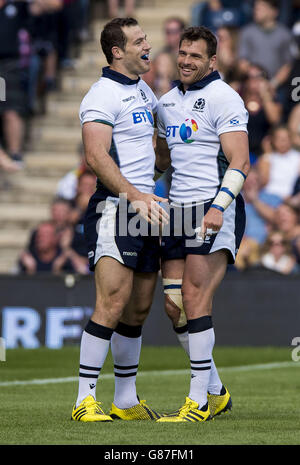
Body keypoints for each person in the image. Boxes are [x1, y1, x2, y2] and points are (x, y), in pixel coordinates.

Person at [71, 17, 168, 422]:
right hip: (116, 207)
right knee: (111, 302)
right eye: (139, 40)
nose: (149, 44)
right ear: (117, 51)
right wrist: (135, 195)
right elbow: (96, 156)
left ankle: (125, 401)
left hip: (145, 208)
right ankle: (83, 400)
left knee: (138, 308)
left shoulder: (144, 91)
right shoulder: (101, 94)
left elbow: (158, 152)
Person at [155, 26, 250, 422]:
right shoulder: (165, 102)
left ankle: (197, 404)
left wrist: (218, 207)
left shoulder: (224, 97)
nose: (186, 61)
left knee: (195, 300)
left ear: (212, 61)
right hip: (176, 210)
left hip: (212, 208)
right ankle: (216, 390)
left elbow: (240, 160)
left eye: (195, 55)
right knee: (174, 307)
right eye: (182, 53)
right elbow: (163, 159)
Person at [238, 0, 296, 96]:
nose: (256, 10)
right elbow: (242, 62)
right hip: (251, 86)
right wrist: (255, 78)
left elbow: (288, 65)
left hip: (277, 87)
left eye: (261, 7)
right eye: (256, 7)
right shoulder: (246, 32)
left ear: (274, 12)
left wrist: (272, 84)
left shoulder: (285, 35)